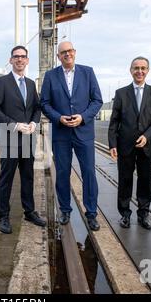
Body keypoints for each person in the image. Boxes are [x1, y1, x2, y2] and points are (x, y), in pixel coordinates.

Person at [40, 41, 103, 231]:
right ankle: (65, 210)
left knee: (89, 173)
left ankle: (91, 213)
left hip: (83, 133)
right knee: (62, 173)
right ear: (58, 56)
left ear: (74, 52)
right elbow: (44, 103)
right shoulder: (51, 76)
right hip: (61, 133)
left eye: (70, 51)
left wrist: (82, 117)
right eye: (63, 52)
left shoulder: (88, 72)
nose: (67, 54)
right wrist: (59, 118)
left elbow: (97, 100)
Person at [0, 45, 46, 234]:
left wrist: (33, 123)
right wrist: (14, 125)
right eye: (16, 57)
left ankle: (29, 212)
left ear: (27, 60)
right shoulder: (2, 82)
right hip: (9, 138)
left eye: (23, 57)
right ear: (11, 60)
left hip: (28, 138)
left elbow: (37, 108)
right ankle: (3, 217)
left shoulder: (30, 84)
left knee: (28, 177)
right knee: (6, 179)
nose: (20, 60)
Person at [108, 56, 151, 230]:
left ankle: (143, 214)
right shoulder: (121, 93)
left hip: (147, 146)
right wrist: (112, 144)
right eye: (136, 68)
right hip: (125, 145)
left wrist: (147, 135)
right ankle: (125, 214)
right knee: (125, 180)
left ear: (147, 70)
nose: (139, 71)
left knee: (145, 180)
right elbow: (114, 121)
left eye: (143, 68)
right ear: (130, 70)